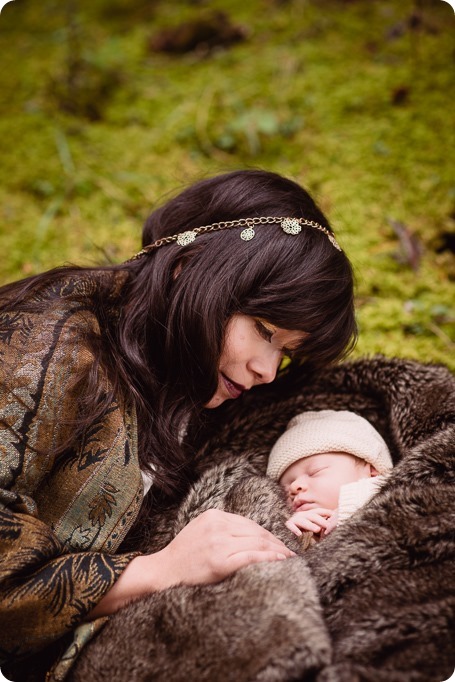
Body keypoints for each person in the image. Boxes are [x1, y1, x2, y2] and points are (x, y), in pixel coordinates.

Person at [0, 169, 356, 681]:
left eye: (288, 352)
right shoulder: (45, 354)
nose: (267, 369)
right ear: (185, 269)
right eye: (264, 331)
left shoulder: (187, 371)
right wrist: (158, 570)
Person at [266, 410, 393, 541]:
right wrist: (291, 537)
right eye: (284, 487)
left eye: (315, 471)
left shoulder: (397, 501)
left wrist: (349, 511)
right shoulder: (296, 529)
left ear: (371, 472)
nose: (294, 486)